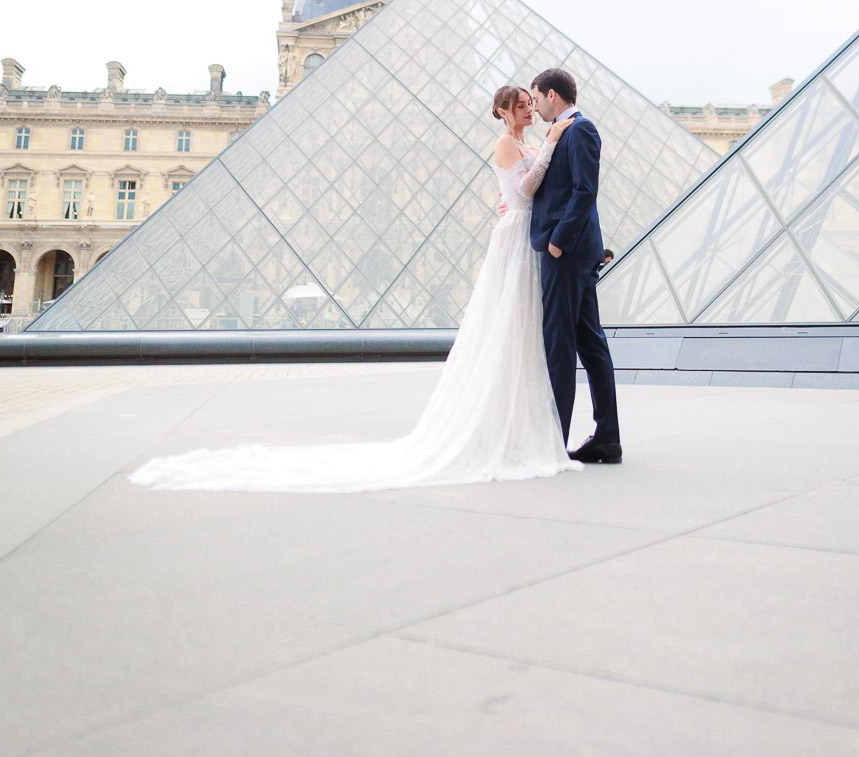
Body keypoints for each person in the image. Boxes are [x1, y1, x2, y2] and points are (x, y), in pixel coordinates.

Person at [129, 87, 579, 493]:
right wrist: (544, 156)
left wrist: (536, 164)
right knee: (507, 328)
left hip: (525, 237)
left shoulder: (534, 141)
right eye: (521, 103)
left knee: (521, 333)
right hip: (516, 240)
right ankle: (501, 428)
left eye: (530, 102)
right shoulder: (510, 142)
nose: (530, 107)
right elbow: (523, 183)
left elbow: (531, 188)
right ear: (503, 111)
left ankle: (520, 425)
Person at [529, 67, 622, 464]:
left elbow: (585, 191)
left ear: (552, 95)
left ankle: (555, 441)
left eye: (535, 99)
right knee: (589, 343)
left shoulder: (580, 129)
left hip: (565, 255)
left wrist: (557, 243)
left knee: (560, 346)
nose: (533, 106)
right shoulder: (564, 131)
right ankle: (607, 438)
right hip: (575, 253)